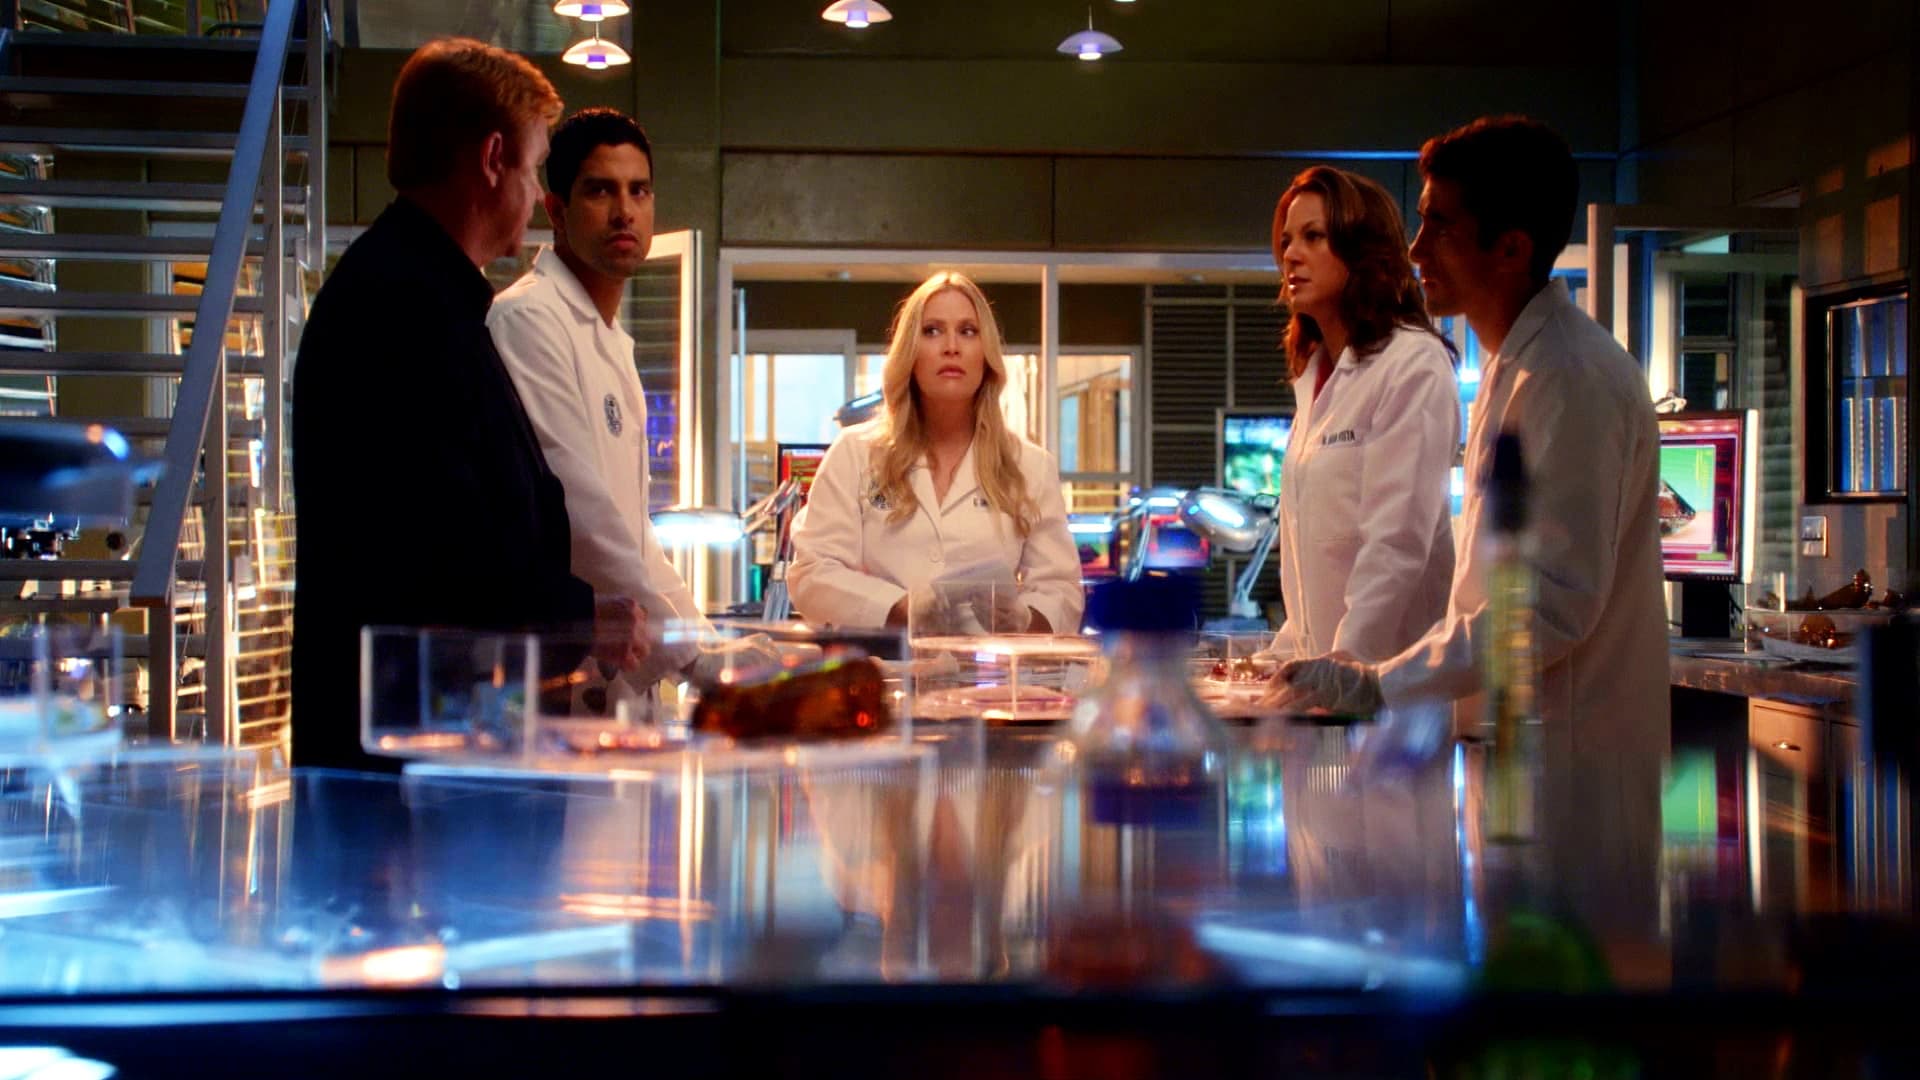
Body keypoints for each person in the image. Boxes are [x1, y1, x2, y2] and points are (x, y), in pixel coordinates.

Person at [1270, 116, 1669, 945]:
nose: (1416, 248)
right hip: (1512, 765)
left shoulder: (1571, 379)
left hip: (1573, 784)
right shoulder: (1512, 370)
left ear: (1511, 248)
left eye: (1440, 225)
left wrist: (1376, 682)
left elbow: (1547, 607)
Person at [292, 39, 646, 772]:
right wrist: (581, 617)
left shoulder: (425, 293)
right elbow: (443, 552)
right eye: (534, 166)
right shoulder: (402, 307)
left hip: (427, 740)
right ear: (493, 159)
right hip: (403, 761)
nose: (536, 195)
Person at [487, 108, 710, 696]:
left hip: (613, 682)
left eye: (639, 190)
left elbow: (634, 537)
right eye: (600, 190)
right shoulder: (528, 318)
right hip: (559, 676)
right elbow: (583, 518)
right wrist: (693, 659)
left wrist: (710, 648)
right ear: (555, 210)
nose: (624, 211)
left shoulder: (612, 341)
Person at [787, 271, 1083, 634]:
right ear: (910, 354)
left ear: (986, 354)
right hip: (885, 664)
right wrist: (903, 608)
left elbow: (1061, 591)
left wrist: (1022, 618)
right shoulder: (854, 454)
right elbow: (813, 574)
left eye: (968, 331)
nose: (951, 347)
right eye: (932, 331)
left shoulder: (1031, 466)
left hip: (986, 668)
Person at [1266, 165, 1459, 667]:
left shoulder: (1411, 362)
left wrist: (1342, 667)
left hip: (1391, 685)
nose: (1291, 255)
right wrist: (1280, 658)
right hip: (1329, 687)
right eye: (1287, 241)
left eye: (1313, 236)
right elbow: (1315, 568)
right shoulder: (1316, 373)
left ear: (1362, 249)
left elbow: (1395, 546)